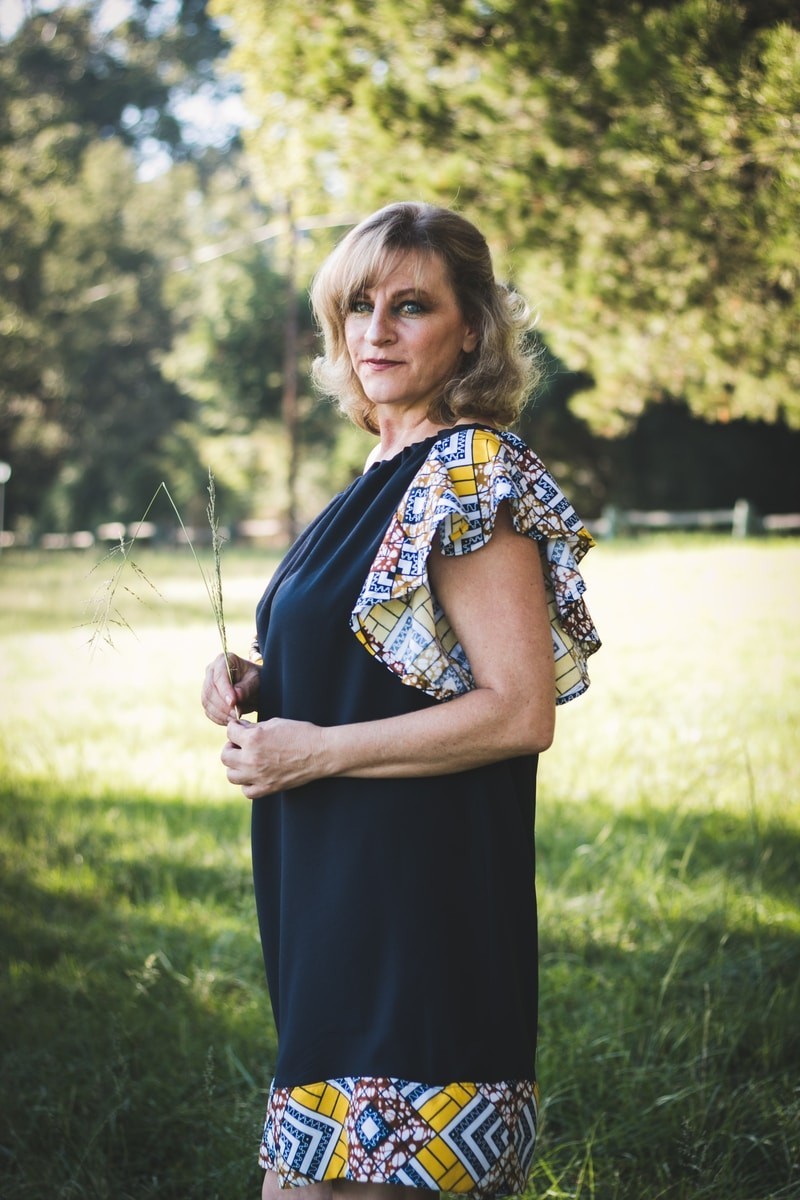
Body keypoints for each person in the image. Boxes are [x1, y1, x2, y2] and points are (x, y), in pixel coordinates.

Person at [201, 201, 600, 1200]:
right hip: (330, 909)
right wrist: (258, 676)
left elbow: (518, 711)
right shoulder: (373, 475)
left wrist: (316, 750)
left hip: (418, 919)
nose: (373, 331)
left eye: (409, 305)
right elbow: (390, 654)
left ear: (469, 324)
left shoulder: (469, 474)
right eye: (355, 306)